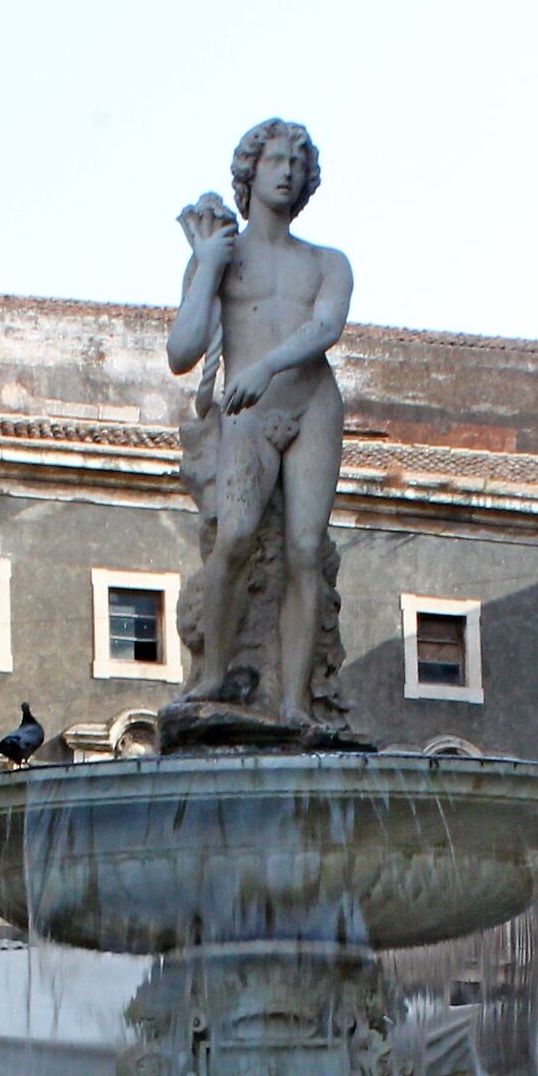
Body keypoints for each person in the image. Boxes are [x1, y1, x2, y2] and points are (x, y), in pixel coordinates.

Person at [166, 118, 353, 726]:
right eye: (275, 161)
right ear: (249, 172)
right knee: (236, 538)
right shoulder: (223, 253)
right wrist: (207, 265)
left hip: (311, 404)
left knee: (305, 549)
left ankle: (296, 700)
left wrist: (267, 365)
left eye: (297, 165)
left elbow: (325, 329)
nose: (287, 173)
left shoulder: (328, 262)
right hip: (248, 413)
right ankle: (214, 674)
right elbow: (182, 352)